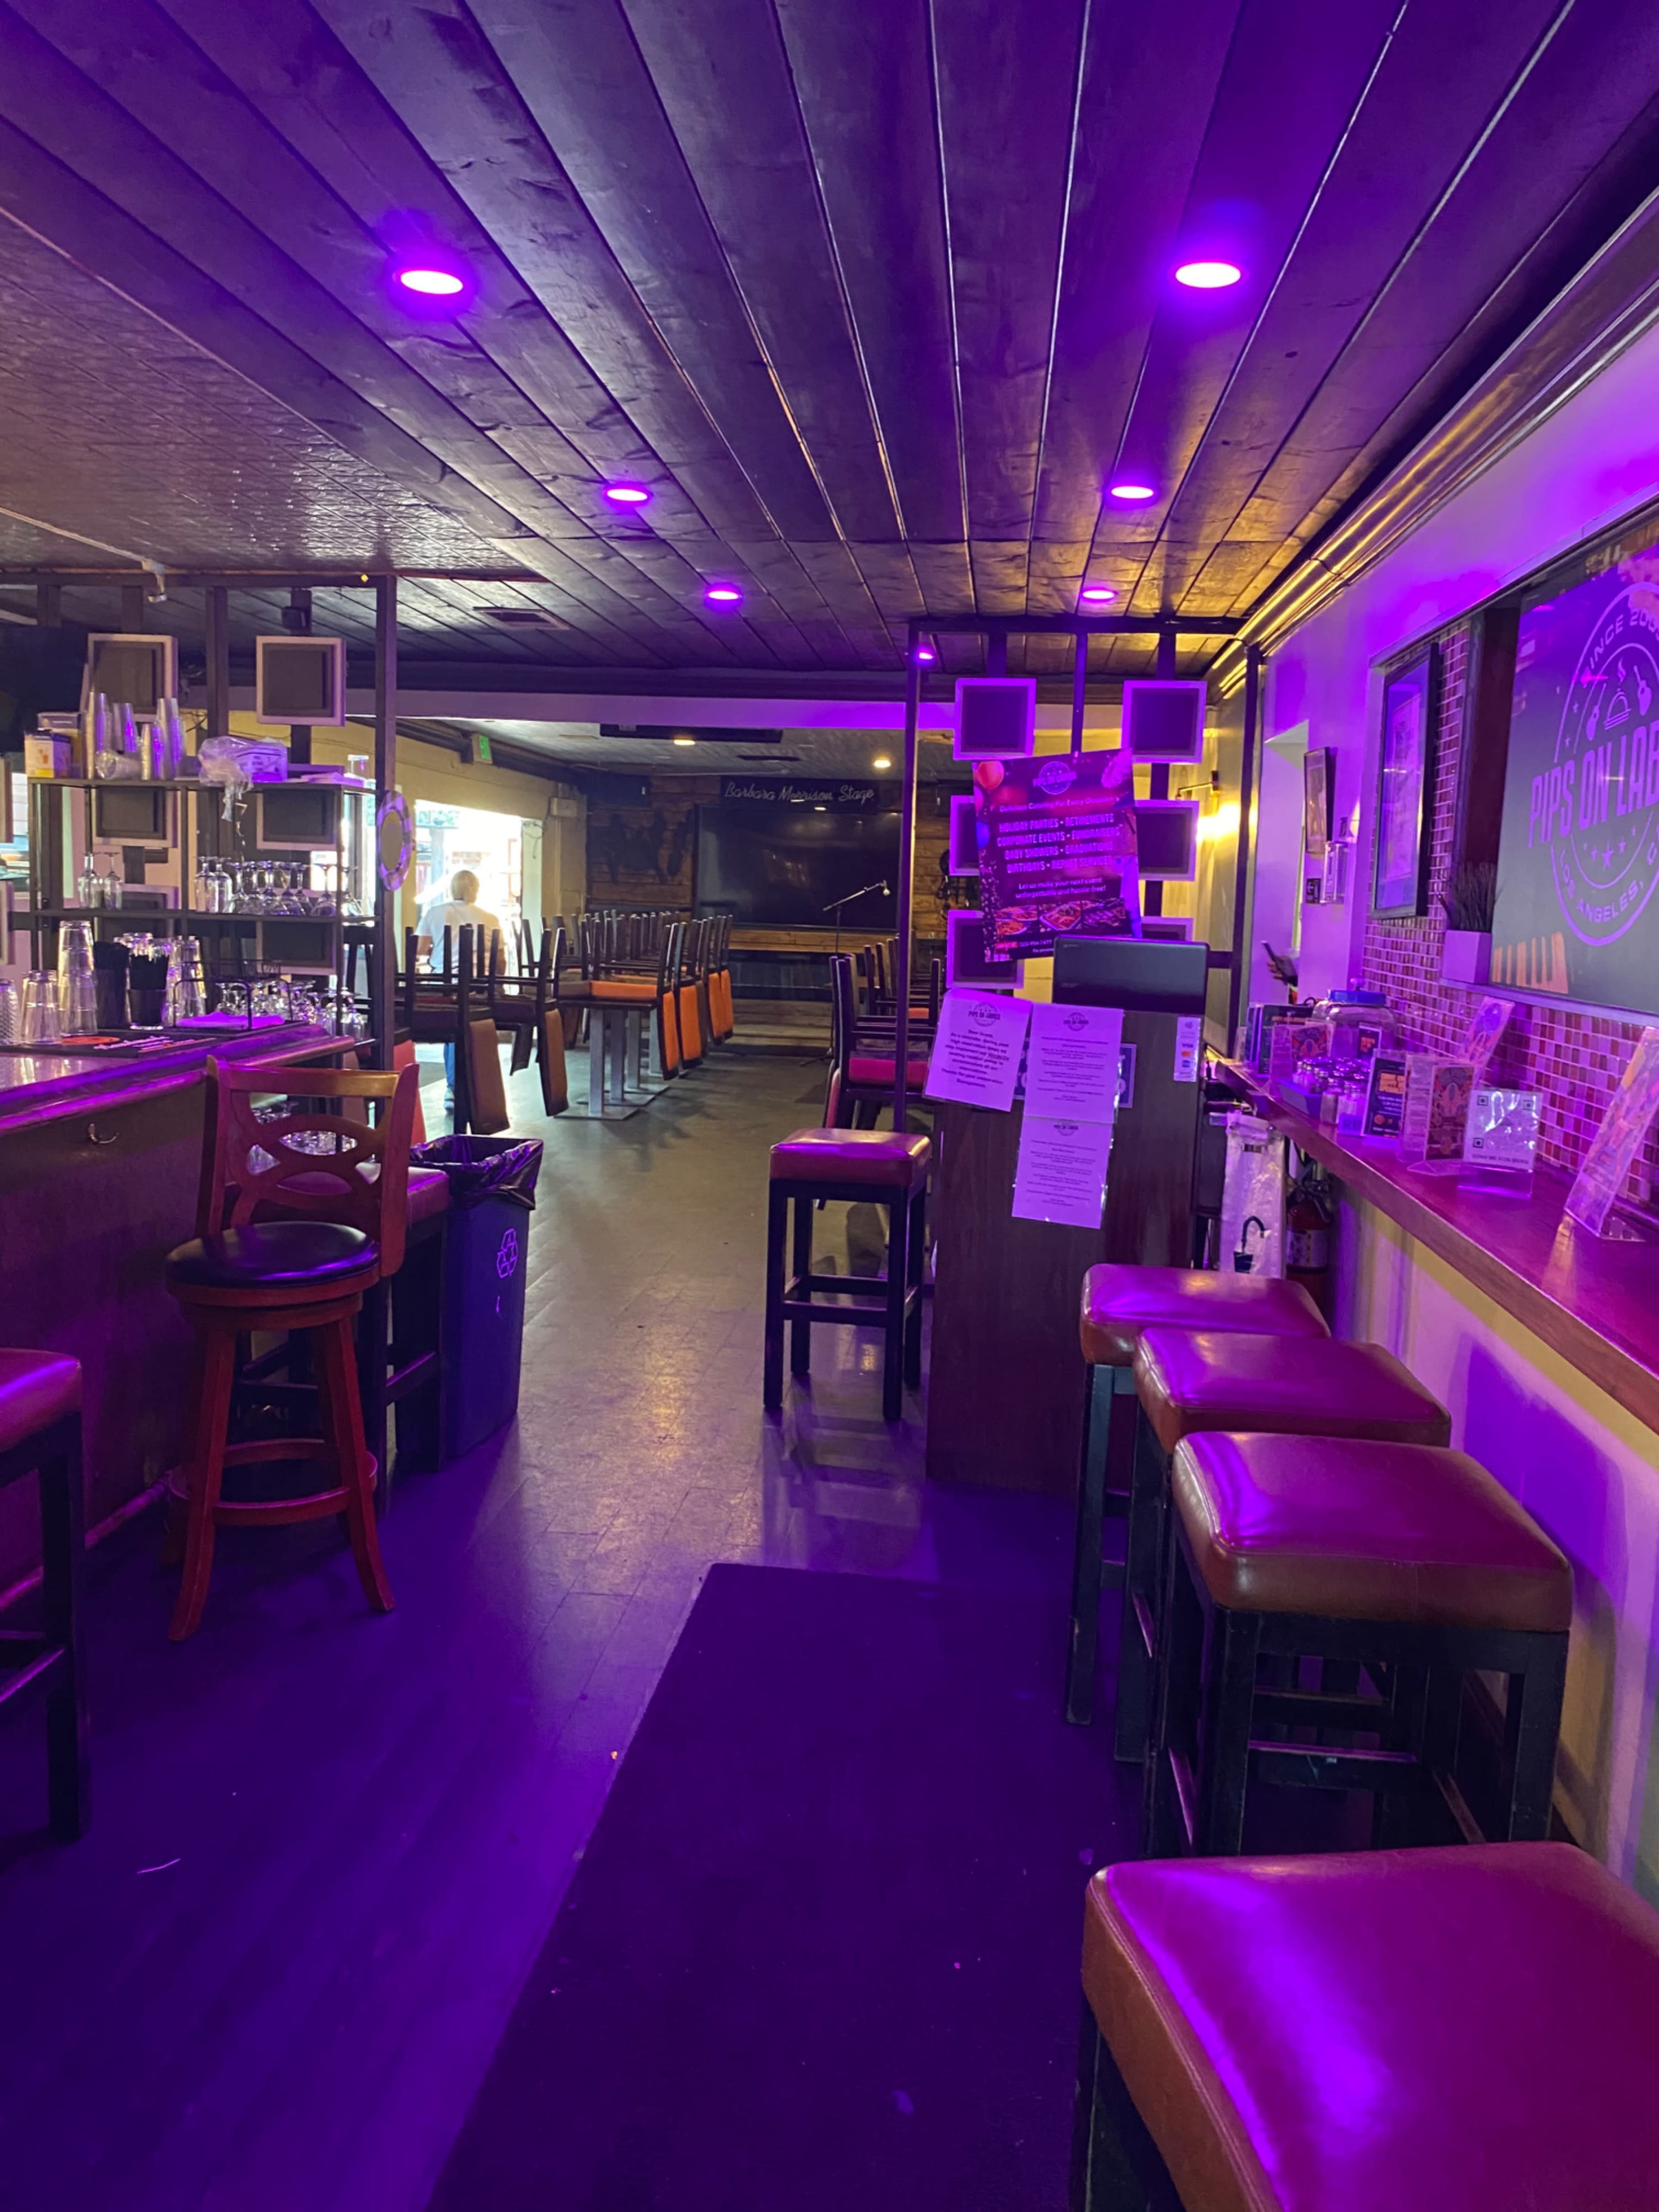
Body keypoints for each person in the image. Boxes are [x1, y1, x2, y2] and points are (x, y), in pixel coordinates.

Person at [416, 869, 505, 1107]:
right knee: (472, 1026)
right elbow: (500, 960)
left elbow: (419, 950)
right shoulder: (490, 918)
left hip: (444, 988)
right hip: (480, 989)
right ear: (476, 890)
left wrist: (439, 949)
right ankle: (479, 1087)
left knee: (453, 1030)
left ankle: (453, 1088)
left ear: (452, 889)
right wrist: (498, 987)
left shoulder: (434, 913)